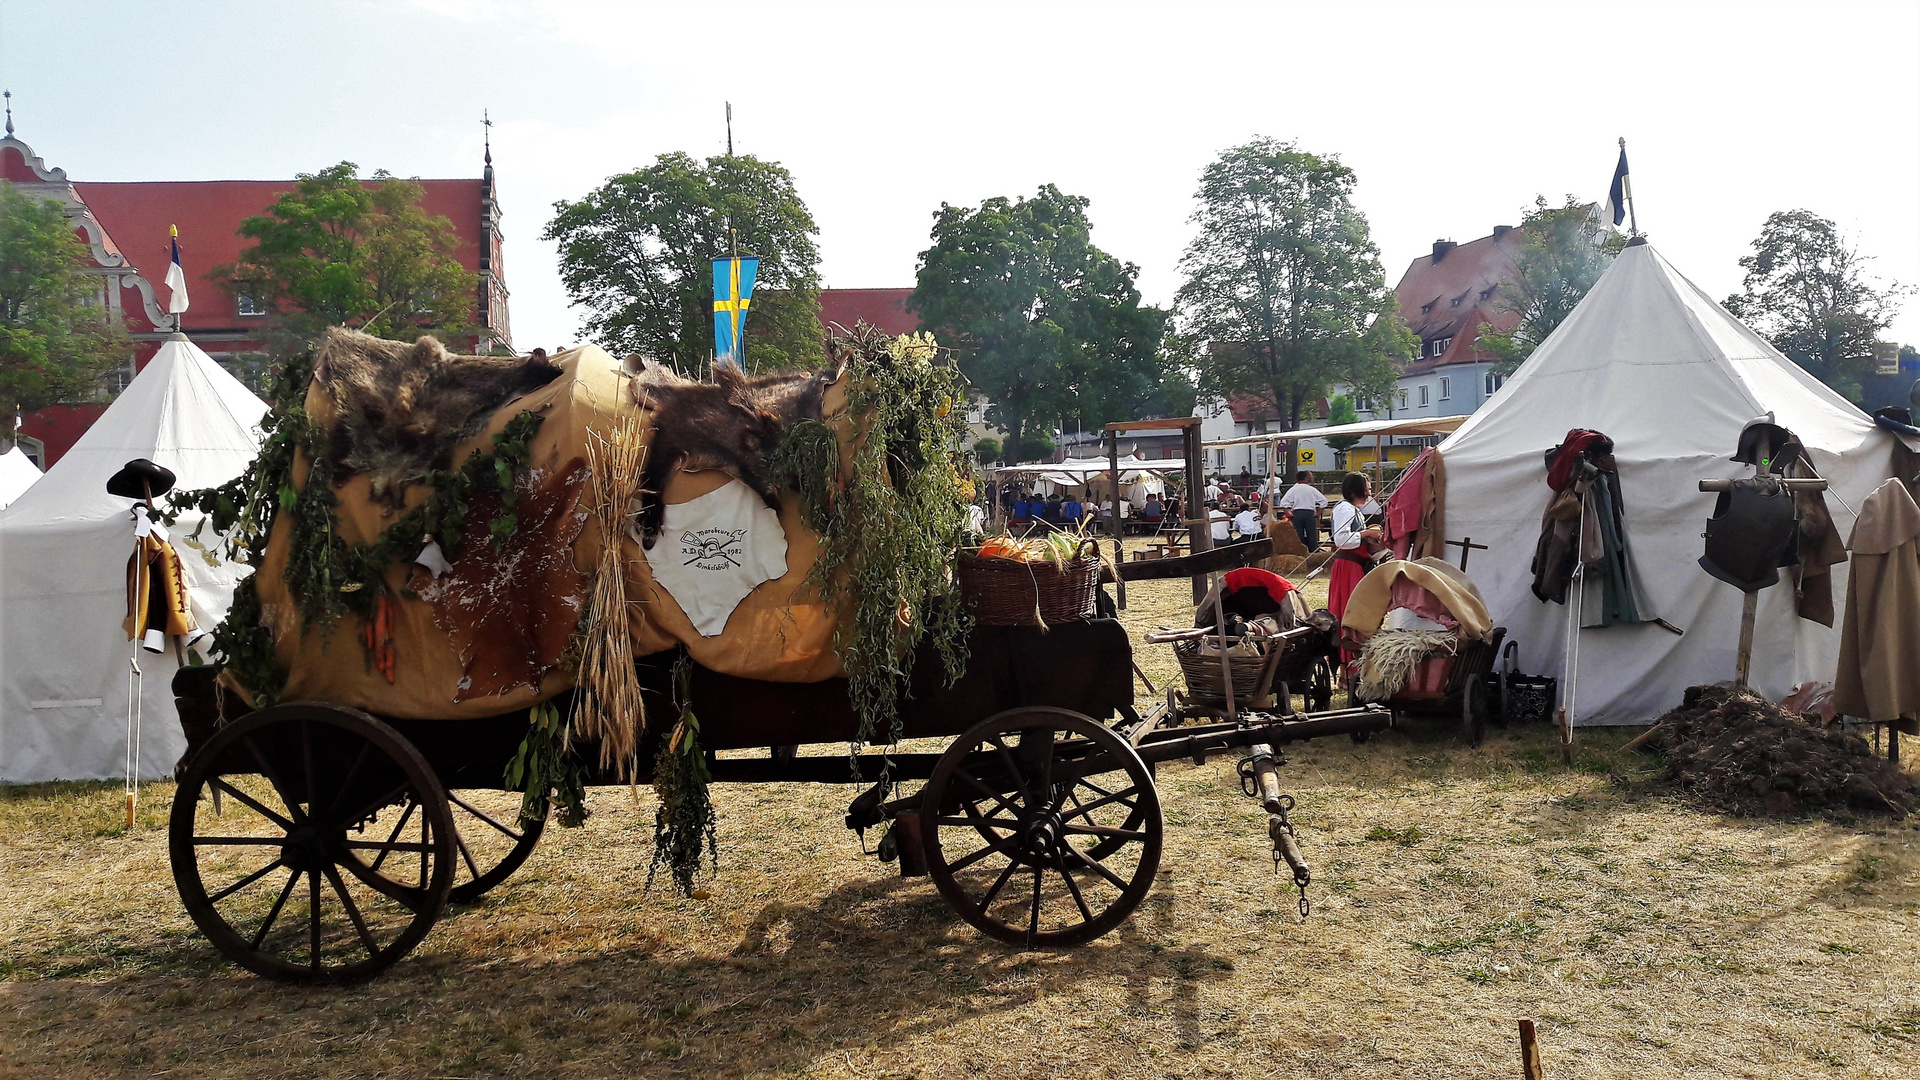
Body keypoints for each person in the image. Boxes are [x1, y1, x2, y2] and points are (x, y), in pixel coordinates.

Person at [1329, 472, 1385, 627]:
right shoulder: (1345, 508)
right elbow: (1341, 539)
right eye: (1366, 489)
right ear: (1354, 491)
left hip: (1355, 566)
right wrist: (1367, 533)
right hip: (1348, 567)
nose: (1369, 493)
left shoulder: (1353, 509)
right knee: (1351, 607)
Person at [1277, 470, 1328, 552]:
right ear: (1307, 477)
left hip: (1297, 514)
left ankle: (1300, 553)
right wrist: (1318, 513)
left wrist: (1287, 512)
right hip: (1309, 514)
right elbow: (1324, 501)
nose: (1312, 478)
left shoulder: (1293, 489)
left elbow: (1283, 502)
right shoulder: (1311, 489)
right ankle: (1313, 553)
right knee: (1312, 536)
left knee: (1298, 536)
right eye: (1310, 476)